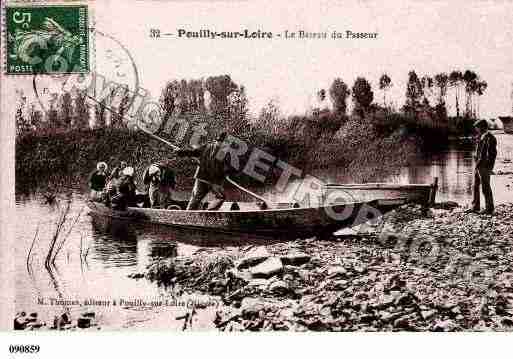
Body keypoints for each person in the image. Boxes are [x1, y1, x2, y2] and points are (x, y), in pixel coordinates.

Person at [176, 132, 231, 210]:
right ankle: (209, 212)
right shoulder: (223, 151)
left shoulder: (207, 146)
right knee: (220, 197)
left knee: (196, 198)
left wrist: (181, 152)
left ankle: (192, 213)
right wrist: (226, 174)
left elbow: (193, 152)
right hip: (211, 180)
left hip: (202, 177)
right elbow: (221, 168)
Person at [467, 119, 497, 215]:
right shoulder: (481, 136)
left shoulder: (490, 138)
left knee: (485, 187)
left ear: (482, 127)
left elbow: (492, 154)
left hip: (484, 166)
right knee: (475, 186)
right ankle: (475, 206)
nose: (476, 130)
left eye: (478, 128)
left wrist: (489, 167)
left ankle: (489, 208)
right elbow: (480, 151)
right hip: (479, 165)